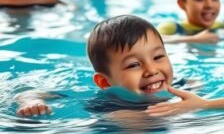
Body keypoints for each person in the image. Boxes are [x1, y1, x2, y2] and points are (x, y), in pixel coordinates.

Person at [15, 15, 175, 117]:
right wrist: (31, 103)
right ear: (104, 82)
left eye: (158, 56)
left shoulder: (180, 89)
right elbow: (30, 93)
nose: (152, 70)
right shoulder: (106, 105)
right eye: (133, 65)